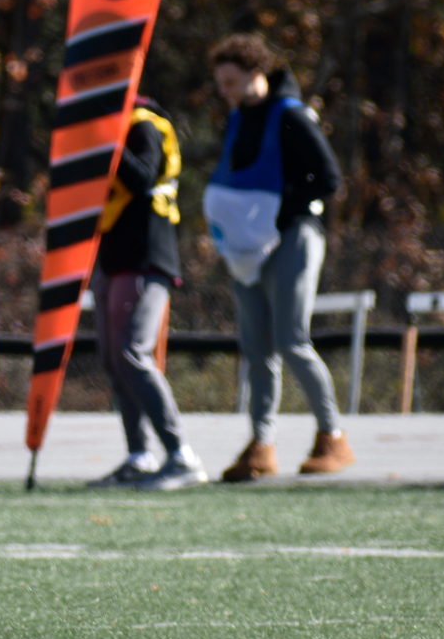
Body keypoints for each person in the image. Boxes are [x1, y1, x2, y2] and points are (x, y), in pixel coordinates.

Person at [202, 33, 355, 482]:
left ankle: (333, 436)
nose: (225, 92)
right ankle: (262, 444)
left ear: (257, 74)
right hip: (248, 248)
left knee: (291, 340)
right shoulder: (238, 118)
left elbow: (328, 179)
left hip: (292, 236)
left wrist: (275, 208)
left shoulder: (290, 116)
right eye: (220, 84)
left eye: (231, 82)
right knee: (256, 348)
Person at [88, 97, 207, 490]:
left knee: (132, 352)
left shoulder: (143, 124)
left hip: (144, 259)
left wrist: (109, 142)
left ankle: (181, 455)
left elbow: (141, 178)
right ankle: (139, 455)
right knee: (113, 358)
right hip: (113, 259)